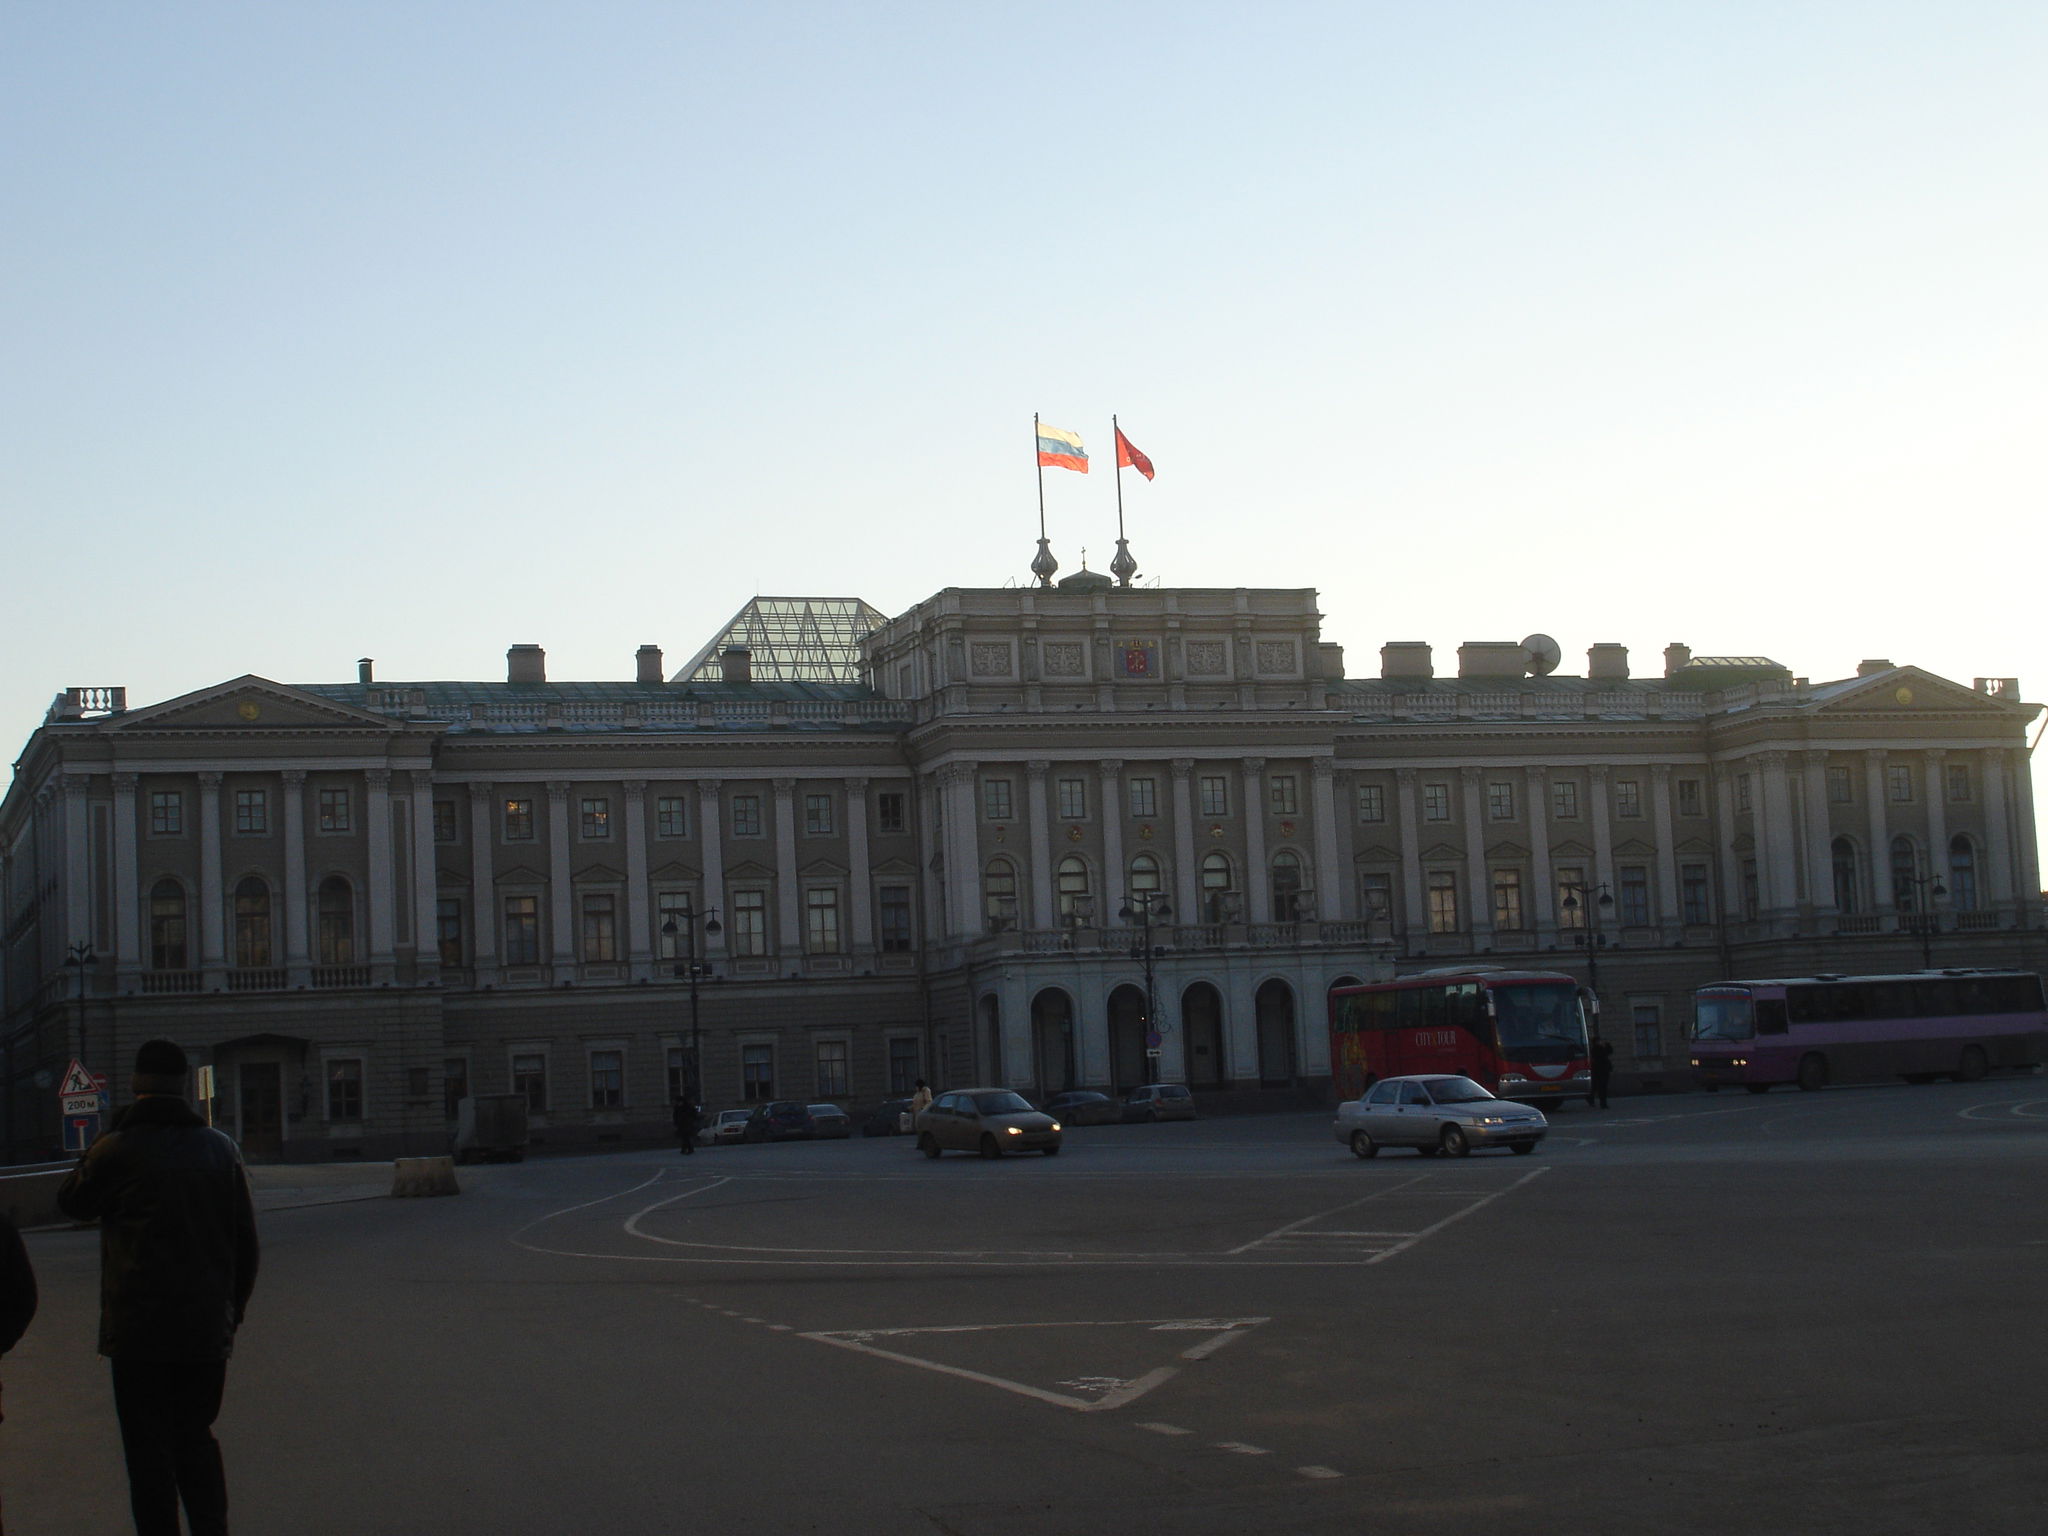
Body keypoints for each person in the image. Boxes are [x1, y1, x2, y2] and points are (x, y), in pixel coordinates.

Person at [58, 1040, 258, 1536]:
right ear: (187, 1085)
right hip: (205, 1328)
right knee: (195, 1436)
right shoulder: (221, 1149)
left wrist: (108, 1136)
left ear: (134, 1084)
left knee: (147, 1452)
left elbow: (72, 1202)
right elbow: (246, 1247)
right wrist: (232, 1311)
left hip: (137, 1330)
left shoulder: (118, 1148)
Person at [1590, 1038, 1615, 1109]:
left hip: (1599, 1070)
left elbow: (1609, 1052)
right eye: (1600, 1041)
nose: (1601, 1042)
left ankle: (1593, 1100)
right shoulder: (1598, 1049)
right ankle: (1602, 1103)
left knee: (1597, 1086)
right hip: (1602, 1070)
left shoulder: (1595, 1049)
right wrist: (1607, 1044)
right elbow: (1609, 1051)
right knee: (1602, 1087)